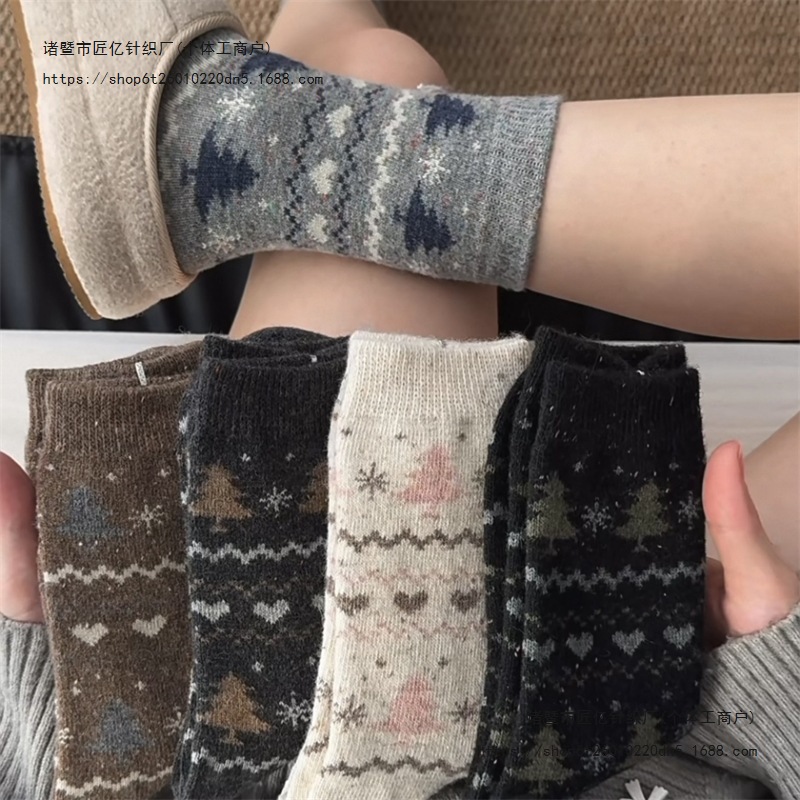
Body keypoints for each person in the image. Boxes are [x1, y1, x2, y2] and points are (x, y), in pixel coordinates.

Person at [2, 0, 798, 798]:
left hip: (321, 745)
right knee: (362, 87)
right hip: (666, 746)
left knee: (371, 76)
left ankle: (230, 137)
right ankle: (232, 133)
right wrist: (779, 691)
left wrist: (51, 688)